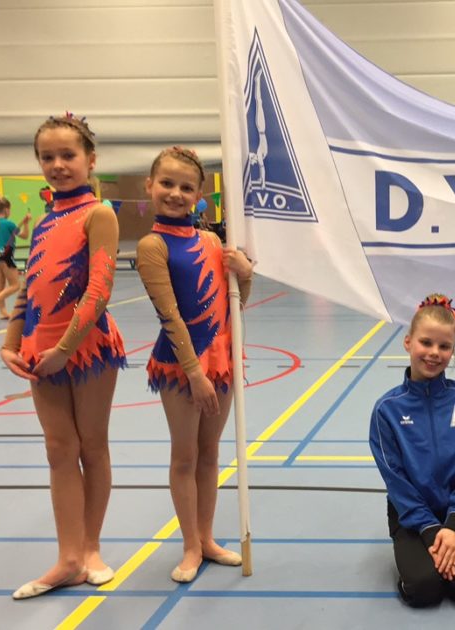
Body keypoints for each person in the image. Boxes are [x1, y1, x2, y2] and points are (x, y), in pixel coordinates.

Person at [1, 113, 127, 599]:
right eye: (47, 157)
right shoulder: (46, 221)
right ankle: (68, 558)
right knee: (59, 450)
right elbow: (29, 289)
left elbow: (99, 289)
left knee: (91, 446)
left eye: (68, 155)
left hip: (86, 346)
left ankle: (90, 549)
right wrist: (11, 341)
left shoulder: (99, 215)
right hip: (41, 350)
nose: (57, 164)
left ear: (90, 160)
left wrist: (66, 348)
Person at [135, 146, 254, 582]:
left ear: (200, 196)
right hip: (180, 364)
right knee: (185, 455)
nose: (175, 193)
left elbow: (235, 307)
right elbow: (169, 315)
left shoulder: (211, 242)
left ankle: (206, 538)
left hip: (220, 362)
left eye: (186, 187)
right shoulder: (152, 246)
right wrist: (194, 373)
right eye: (167, 183)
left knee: (210, 453)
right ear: (149, 185)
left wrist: (245, 275)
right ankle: (189, 545)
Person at [369, 294, 455, 607]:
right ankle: (417, 558)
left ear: (452, 350)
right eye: (426, 342)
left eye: (444, 346)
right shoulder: (387, 410)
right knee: (424, 590)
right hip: (412, 517)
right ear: (408, 342)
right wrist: (428, 530)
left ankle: (454, 546)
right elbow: (396, 480)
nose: (434, 353)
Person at [0, 195, 30, 319]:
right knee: (15, 285)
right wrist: (26, 223)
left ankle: (3, 312)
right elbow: (25, 236)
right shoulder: (9, 224)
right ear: (6, 210)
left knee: (0, 286)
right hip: (6, 255)